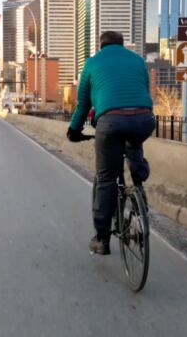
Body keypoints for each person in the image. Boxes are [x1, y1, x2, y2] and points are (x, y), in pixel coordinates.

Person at [66, 31, 155, 255]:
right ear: (122, 45)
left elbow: (83, 103)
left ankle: (102, 239)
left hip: (111, 122)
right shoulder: (138, 61)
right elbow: (143, 92)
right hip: (144, 119)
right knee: (134, 143)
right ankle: (139, 183)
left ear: (101, 46)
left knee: (106, 179)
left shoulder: (92, 63)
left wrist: (74, 131)